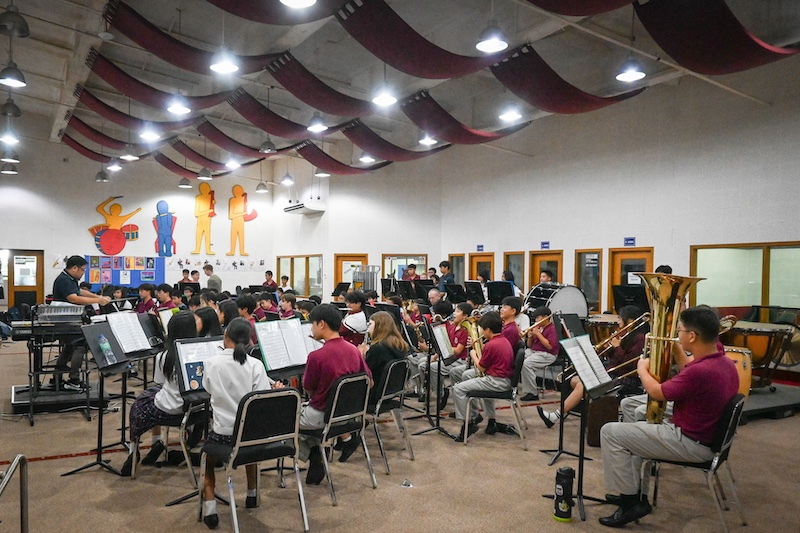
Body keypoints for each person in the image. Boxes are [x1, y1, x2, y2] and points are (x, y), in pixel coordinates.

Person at [598, 305, 739, 528]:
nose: (677, 334)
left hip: (692, 442)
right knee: (634, 408)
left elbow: (657, 392)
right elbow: (687, 367)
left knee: (609, 432)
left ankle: (630, 502)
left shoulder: (701, 372)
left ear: (692, 336)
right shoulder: (722, 360)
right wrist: (673, 347)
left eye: (680, 330)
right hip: (706, 431)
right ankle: (634, 488)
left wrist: (642, 368)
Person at [201, 317, 278, 529]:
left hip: (223, 434)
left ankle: (210, 508)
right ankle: (251, 494)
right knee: (248, 443)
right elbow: (261, 398)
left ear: (226, 336)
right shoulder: (255, 365)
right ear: (249, 340)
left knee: (207, 459)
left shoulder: (211, 363)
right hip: (250, 435)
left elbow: (208, 389)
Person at [537, 305, 647, 427]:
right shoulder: (626, 334)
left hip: (625, 378)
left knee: (583, 385)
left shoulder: (639, 338)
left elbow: (631, 363)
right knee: (574, 380)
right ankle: (588, 413)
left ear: (630, 321)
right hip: (612, 372)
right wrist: (609, 349)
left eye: (620, 318)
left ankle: (556, 416)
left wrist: (616, 347)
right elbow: (615, 358)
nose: (618, 321)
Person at [300, 304, 372, 484]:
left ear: (321, 324)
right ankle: (317, 450)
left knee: (283, 421)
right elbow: (369, 382)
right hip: (348, 415)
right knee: (304, 421)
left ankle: (314, 452)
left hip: (322, 415)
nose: (311, 329)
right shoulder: (353, 350)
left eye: (312, 324)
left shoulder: (316, 356)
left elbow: (308, 388)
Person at [122, 310, 197, 476]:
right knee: (151, 395)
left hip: (173, 408)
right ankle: (157, 443)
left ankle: (135, 449)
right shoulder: (201, 352)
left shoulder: (165, 356)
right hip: (197, 409)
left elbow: (160, 381)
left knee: (139, 405)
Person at [452, 311, 514, 440]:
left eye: (482, 330)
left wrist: (473, 354)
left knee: (458, 389)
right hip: (502, 379)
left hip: (496, 381)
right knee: (467, 375)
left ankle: (468, 423)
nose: (481, 333)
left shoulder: (492, 344)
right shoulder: (503, 340)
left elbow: (481, 367)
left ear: (488, 330)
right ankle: (476, 415)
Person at [52, 255, 111, 389]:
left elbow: (79, 291)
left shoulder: (69, 278)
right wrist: (98, 300)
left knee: (69, 347)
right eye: (83, 270)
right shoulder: (64, 280)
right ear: (74, 268)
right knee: (81, 344)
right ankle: (74, 379)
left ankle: (57, 377)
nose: (83, 273)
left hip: (68, 320)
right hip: (64, 322)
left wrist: (99, 296)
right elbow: (74, 298)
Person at [418, 301, 472, 409]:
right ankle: (428, 391)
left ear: (465, 316)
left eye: (458, 311)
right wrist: (434, 357)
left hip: (459, 360)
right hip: (449, 358)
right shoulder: (452, 327)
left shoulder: (464, 330)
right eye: (455, 311)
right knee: (424, 365)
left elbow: (458, 351)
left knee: (432, 368)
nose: (454, 314)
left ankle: (440, 394)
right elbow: (444, 348)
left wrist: (443, 345)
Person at [358, 311, 410, 405]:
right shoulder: (399, 345)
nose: (368, 328)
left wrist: (362, 356)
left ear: (379, 326)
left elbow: (366, 372)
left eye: (370, 324)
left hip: (373, 394)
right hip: (390, 392)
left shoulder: (377, 349)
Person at [519, 306, 558, 401]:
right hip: (534, 351)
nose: (536, 320)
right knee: (518, 357)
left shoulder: (552, 329)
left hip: (547, 354)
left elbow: (550, 346)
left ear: (545, 317)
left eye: (538, 318)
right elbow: (530, 345)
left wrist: (538, 334)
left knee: (527, 364)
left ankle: (532, 393)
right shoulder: (538, 328)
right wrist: (530, 337)